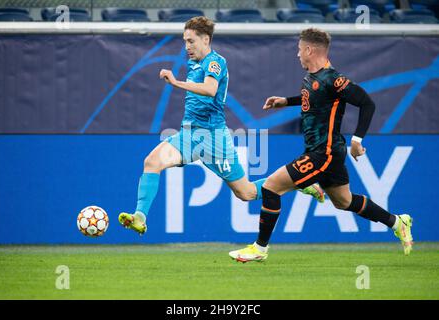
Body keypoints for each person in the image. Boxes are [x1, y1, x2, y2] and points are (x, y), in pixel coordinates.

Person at [118, 17, 324, 235]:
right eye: (185, 41)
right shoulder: (193, 62)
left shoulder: (215, 62)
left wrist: (176, 82)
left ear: (206, 39)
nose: (187, 46)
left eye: (191, 41)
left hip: (213, 138)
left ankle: (299, 182)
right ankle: (139, 217)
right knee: (151, 162)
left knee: (246, 193)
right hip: (189, 134)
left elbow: (210, 89)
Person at [229, 28, 413, 262]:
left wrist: (357, 140)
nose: (297, 54)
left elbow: (367, 103)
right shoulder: (312, 78)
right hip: (325, 152)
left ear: (309, 49)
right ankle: (397, 222)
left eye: (299, 49)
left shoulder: (333, 79)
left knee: (272, 186)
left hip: (324, 153)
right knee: (344, 201)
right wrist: (286, 102)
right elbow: (314, 99)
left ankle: (259, 248)